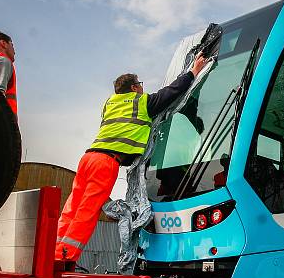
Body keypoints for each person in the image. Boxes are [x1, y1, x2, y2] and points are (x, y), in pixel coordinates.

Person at [55, 54, 209, 262]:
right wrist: (194, 71)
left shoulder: (110, 103)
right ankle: (66, 257)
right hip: (106, 162)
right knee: (87, 211)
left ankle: (55, 251)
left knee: (71, 207)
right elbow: (172, 92)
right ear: (135, 87)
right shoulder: (141, 102)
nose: (143, 88)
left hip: (88, 157)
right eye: (140, 85)